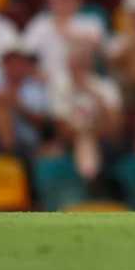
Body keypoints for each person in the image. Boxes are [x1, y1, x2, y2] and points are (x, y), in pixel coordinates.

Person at [50, 39, 122, 180]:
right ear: (68, 63)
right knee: (81, 141)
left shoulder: (106, 87)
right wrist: (84, 134)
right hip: (71, 138)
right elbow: (61, 127)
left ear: (90, 63)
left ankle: (92, 177)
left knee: (89, 140)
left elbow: (115, 126)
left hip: (103, 136)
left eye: (82, 62)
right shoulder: (59, 87)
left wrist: (94, 96)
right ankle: (89, 178)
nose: (78, 67)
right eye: (75, 62)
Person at [21, 0, 105, 89]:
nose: (66, 3)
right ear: (51, 0)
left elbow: (98, 47)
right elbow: (25, 55)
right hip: (47, 85)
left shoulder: (90, 22)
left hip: (83, 84)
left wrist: (67, 32)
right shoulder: (39, 24)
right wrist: (38, 75)